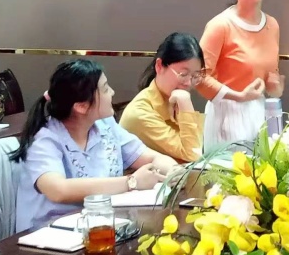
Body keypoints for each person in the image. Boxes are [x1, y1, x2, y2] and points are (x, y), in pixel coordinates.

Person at [12, 59, 182, 231]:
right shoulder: (45, 139)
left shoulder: (105, 125)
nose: (112, 93)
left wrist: (173, 171)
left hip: (101, 225)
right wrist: (132, 182)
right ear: (82, 106)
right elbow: (58, 190)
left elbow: (151, 157)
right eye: (106, 89)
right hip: (51, 234)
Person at [196, 0, 283, 152]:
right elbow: (199, 77)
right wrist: (239, 96)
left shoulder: (272, 24)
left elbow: (271, 73)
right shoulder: (220, 25)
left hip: (260, 111)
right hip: (227, 114)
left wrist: (274, 85)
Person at [120, 33, 205, 163]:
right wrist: (186, 105)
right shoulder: (140, 113)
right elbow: (193, 154)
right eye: (183, 74)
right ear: (159, 66)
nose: (188, 83)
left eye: (195, 76)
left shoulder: (175, 99)